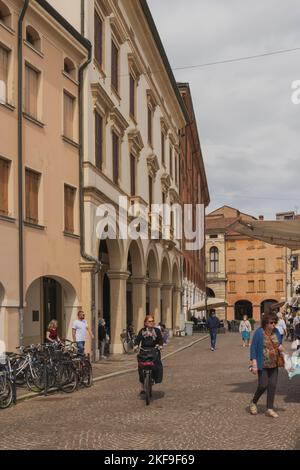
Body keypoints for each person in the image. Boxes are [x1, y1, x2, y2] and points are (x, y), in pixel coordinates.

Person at [249, 312, 284, 418]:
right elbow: (253, 348)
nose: (274, 324)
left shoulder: (276, 331)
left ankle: (269, 409)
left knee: (272, 385)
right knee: (263, 385)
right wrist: (254, 363)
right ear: (265, 323)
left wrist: (281, 348)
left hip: (274, 363)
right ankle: (253, 402)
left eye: (275, 322)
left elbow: (279, 343)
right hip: (262, 364)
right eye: (271, 322)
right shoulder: (259, 333)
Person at [134, 314, 163, 394]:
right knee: (140, 366)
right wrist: (136, 345)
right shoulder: (142, 331)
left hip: (154, 350)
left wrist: (160, 345)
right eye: (149, 321)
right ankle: (142, 385)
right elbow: (137, 339)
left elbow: (160, 339)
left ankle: (153, 378)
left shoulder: (157, 330)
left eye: (152, 321)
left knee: (157, 365)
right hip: (144, 350)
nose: (151, 322)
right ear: (146, 323)